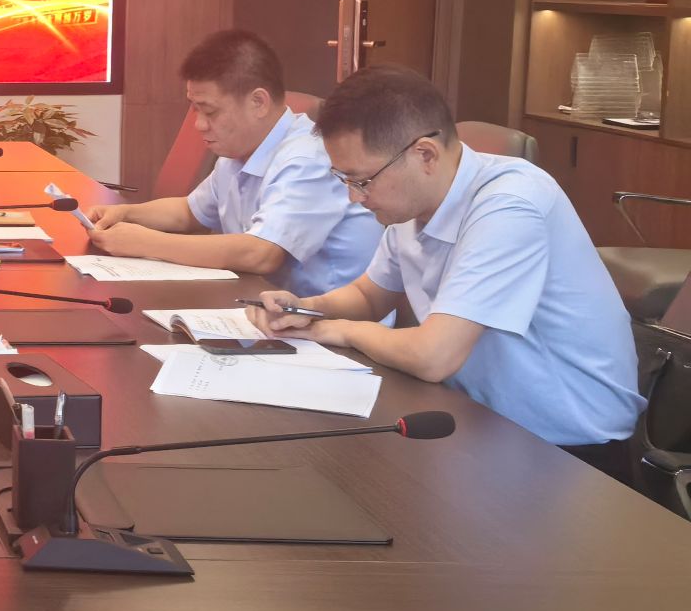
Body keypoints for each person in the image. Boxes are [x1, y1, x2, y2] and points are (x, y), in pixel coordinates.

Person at [251, 65, 643, 477]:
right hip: (480, 420)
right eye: (345, 180)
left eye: (362, 181)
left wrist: (339, 330)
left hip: (571, 453)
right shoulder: (412, 202)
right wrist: (304, 309)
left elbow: (433, 356)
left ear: (425, 155)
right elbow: (369, 296)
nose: (354, 197)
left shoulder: (510, 205)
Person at [85, 29, 377, 294]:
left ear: (258, 102)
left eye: (210, 112)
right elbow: (190, 212)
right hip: (265, 307)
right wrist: (126, 214)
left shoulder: (307, 158)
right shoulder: (239, 151)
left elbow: (261, 253)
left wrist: (146, 243)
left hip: (330, 322)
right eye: (195, 110)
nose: (199, 125)